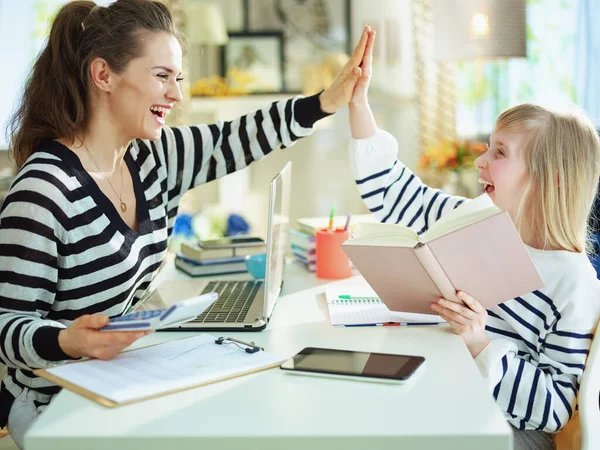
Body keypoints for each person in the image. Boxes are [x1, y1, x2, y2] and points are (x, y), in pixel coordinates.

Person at [0, 1, 371, 448]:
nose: (175, 95)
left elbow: (235, 139)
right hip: (55, 404)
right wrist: (68, 340)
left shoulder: (152, 156)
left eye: (176, 78)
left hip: (115, 381)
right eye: (161, 76)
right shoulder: (44, 191)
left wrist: (327, 102)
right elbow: (6, 324)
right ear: (104, 76)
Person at [348, 29, 600, 450]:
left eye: (500, 153)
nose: (480, 161)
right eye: (489, 146)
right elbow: (395, 194)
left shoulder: (573, 284)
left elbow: (555, 412)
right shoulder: (476, 219)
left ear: (548, 178)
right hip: (450, 396)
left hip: (506, 431)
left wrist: (480, 342)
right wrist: (358, 103)